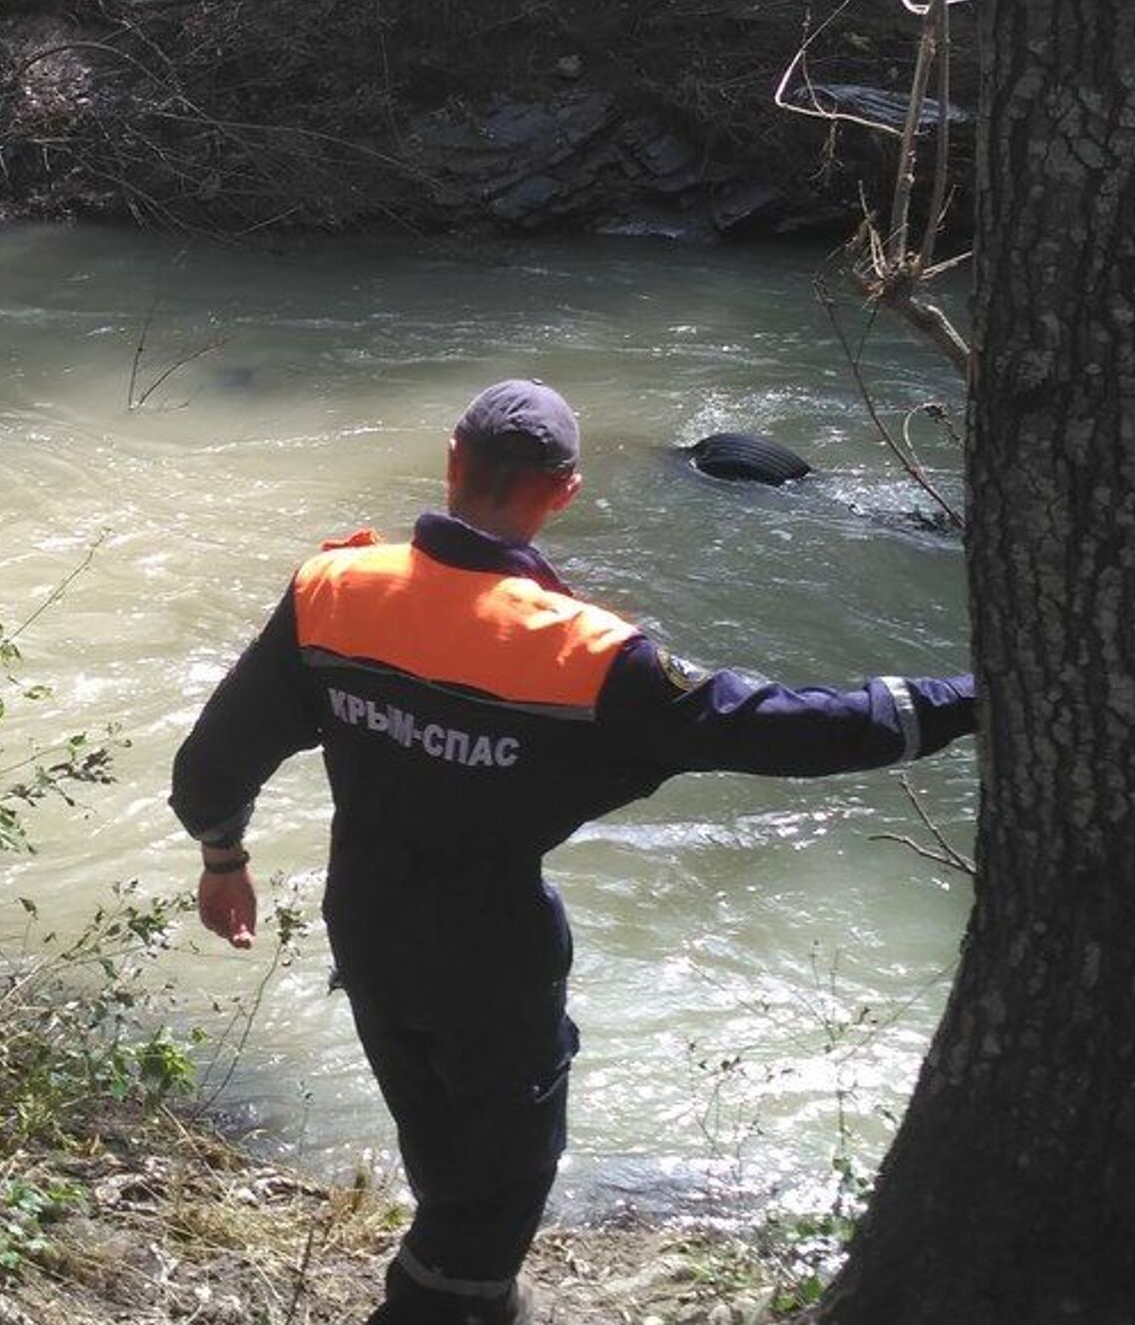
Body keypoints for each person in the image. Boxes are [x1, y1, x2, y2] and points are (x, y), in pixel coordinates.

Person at [169, 379, 976, 1325]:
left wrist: (224, 859)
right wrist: (977, 690)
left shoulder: (334, 589)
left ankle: (479, 1297)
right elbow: (796, 729)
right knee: (500, 1187)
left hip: (369, 924)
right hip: (492, 957)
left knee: (442, 1146)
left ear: (453, 462)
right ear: (564, 493)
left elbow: (210, 765)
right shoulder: (595, 659)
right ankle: (444, 1303)